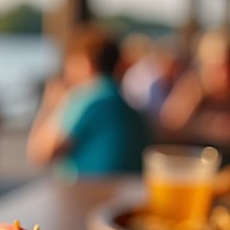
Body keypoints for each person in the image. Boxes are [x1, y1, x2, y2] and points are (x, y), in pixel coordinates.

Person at [27, 24, 153, 176]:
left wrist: (51, 106)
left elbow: (40, 154)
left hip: (87, 194)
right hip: (124, 192)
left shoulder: (88, 100)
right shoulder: (126, 101)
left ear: (84, 62)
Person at [158, 27, 230, 162]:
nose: (225, 74)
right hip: (196, 165)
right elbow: (169, 129)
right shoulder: (192, 87)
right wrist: (196, 97)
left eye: (229, 65)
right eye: (218, 67)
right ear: (203, 66)